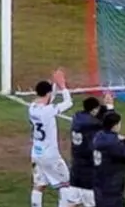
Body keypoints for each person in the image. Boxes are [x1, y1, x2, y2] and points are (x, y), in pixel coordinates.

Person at [31, 70, 78, 207]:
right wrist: (62, 86)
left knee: (39, 185)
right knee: (65, 185)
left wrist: (54, 85)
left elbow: (48, 99)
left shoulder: (32, 108)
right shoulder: (49, 110)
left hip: (36, 153)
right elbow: (68, 102)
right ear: (48, 93)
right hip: (50, 156)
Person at [92, 111, 125, 207]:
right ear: (115, 126)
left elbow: (114, 150)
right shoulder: (112, 143)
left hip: (99, 186)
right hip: (111, 190)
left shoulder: (99, 136)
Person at [68, 96, 109, 207]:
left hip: (75, 171)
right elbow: (108, 124)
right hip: (89, 173)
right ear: (94, 109)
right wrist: (110, 107)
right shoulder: (93, 124)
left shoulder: (77, 117)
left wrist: (104, 106)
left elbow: (96, 117)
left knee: (72, 203)